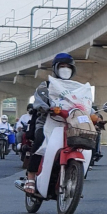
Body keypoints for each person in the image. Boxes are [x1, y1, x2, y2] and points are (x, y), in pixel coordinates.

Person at [24, 53, 76, 194]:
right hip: (47, 121)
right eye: (62, 66)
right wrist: (46, 108)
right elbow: (39, 101)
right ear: (55, 68)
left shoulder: (76, 88)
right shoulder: (46, 85)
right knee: (40, 139)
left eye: (68, 67)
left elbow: (84, 103)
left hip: (69, 124)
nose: (65, 69)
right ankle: (31, 176)